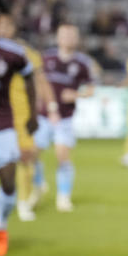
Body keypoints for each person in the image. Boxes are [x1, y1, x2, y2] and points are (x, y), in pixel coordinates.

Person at [0, 13, 55, 222]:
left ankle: (22, 203)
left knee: (24, 156)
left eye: (5, 26)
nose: (2, 30)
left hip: (20, 112)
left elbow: (39, 80)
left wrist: (46, 107)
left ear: (13, 28)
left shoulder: (24, 52)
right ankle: (35, 183)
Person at [0, 4, 39, 256]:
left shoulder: (10, 53)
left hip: (1, 127)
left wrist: (33, 114)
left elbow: (30, 76)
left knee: (9, 181)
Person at [39, 24, 97, 212]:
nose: (68, 38)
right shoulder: (46, 58)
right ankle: (38, 184)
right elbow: (36, 82)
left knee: (62, 156)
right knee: (30, 154)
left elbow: (90, 89)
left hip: (65, 117)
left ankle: (63, 197)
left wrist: (76, 95)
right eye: (64, 35)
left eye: (72, 35)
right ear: (57, 37)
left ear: (77, 38)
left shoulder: (82, 63)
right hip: (42, 115)